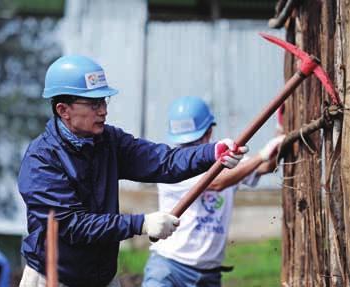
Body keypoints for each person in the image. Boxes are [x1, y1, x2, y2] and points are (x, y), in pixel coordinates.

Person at [17, 55, 248, 287]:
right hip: (54, 279)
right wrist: (140, 224)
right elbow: (73, 225)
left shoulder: (109, 141)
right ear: (63, 110)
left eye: (104, 100)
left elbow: (164, 161)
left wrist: (212, 153)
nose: (103, 111)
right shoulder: (41, 160)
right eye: (94, 103)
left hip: (102, 278)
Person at [142, 96, 284, 287]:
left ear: (208, 133)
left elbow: (266, 166)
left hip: (209, 275)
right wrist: (260, 156)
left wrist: (279, 131)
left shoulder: (227, 160)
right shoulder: (173, 167)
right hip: (170, 268)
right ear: (209, 130)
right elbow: (216, 183)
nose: (187, 149)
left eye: (192, 142)